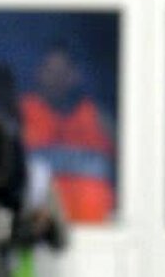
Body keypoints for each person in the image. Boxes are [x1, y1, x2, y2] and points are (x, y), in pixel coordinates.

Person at [19, 42, 116, 223]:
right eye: (50, 71)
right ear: (38, 72)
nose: (57, 79)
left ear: (76, 75)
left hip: (99, 237)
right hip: (39, 239)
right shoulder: (19, 116)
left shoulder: (99, 119)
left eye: (64, 71)